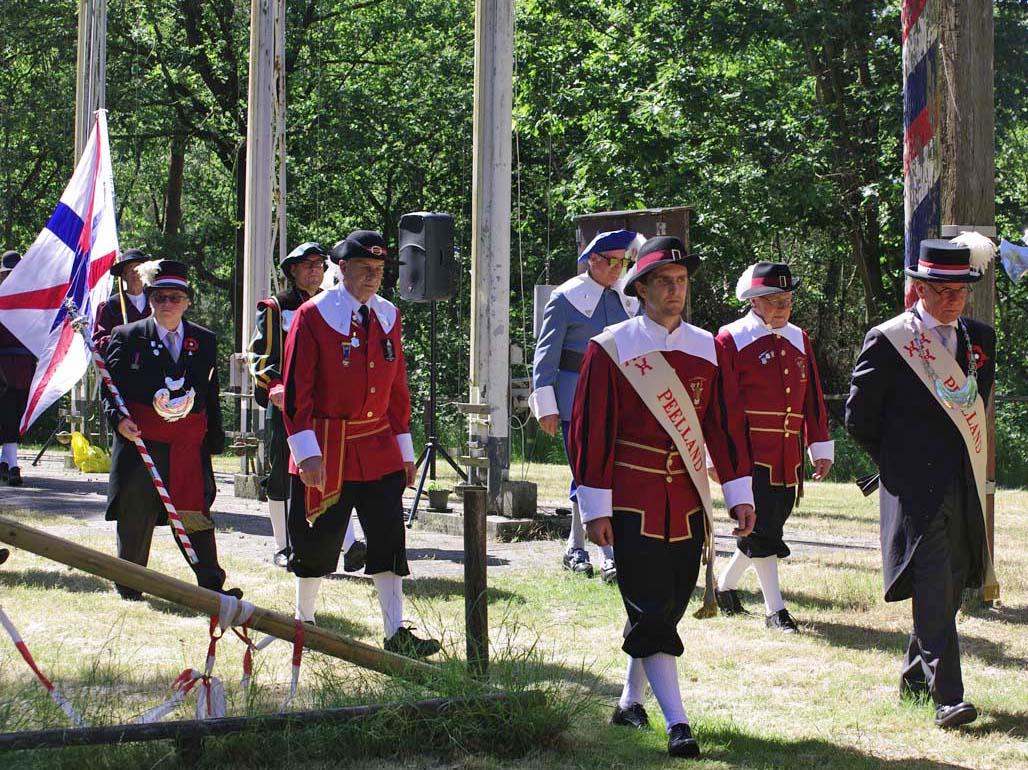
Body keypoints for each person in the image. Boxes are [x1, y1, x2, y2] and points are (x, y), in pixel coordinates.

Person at [569, 236, 755, 759]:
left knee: (665, 606)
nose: (675, 290)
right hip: (633, 499)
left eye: (681, 281)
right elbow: (591, 431)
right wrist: (596, 508)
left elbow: (726, 426)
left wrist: (739, 493)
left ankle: (630, 701)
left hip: (688, 502)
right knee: (650, 605)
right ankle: (678, 723)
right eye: (664, 282)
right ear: (642, 289)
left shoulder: (708, 347)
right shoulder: (611, 347)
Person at [845, 237, 998, 730]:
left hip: (963, 483)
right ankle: (948, 697)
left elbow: (975, 407)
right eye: (942, 291)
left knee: (950, 583)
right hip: (914, 488)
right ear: (919, 289)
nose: (952, 300)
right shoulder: (890, 340)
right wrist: (898, 463)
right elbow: (858, 418)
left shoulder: (980, 338)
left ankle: (914, 676)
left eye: (960, 291)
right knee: (932, 581)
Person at [282, 229, 439, 659]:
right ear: (343, 268)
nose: (372, 277)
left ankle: (395, 631)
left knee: (388, 537)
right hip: (327, 446)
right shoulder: (313, 315)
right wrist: (306, 453)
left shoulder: (388, 315)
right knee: (317, 538)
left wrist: (405, 452)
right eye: (365, 268)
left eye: (379, 270)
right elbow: (296, 391)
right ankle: (305, 622)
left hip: (378, 447)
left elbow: (398, 389)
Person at [101, 259, 242, 601]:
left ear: (187, 301)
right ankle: (130, 585)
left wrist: (213, 438)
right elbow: (109, 388)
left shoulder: (204, 340)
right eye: (159, 297)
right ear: (150, 300)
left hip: (187, 446)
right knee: (136, 514)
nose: (167, 303)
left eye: (175, 297)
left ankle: (211, 585)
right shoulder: (127, 337)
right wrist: (118, 421)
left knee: (195, 516)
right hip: (141, 443)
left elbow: (209, 392)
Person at [713, 262, 833, 632]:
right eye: (774, 301)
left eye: (787, 300)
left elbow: (812, 395)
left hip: (788, 455)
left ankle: (724, 587)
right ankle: (775, 610)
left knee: (767, 525)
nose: (783, 308)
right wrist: (716, 455)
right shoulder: (730, 339)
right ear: (754, 302)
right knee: (762, 527)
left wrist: (819, 445)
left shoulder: (799, 338)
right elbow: (720, 404)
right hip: (749, 454)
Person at [529, 229, 643, 583]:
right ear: (592, 260)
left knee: (605, 472)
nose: (618, 268)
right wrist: (546, 405)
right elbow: (546, 354)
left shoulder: (628, 297)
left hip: (619, 399)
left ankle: (575, 547)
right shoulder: (566, 298)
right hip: (575, 400)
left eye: (623, 262)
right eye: (611, 262)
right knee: (588, 473)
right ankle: (608, 555)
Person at [248, 241, 366, 570]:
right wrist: (275, 385)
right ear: (293, 271)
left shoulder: (334, 306)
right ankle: (283, 545)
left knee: (333, 470)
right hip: (287, 404)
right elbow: (262, 355)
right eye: (307, 265)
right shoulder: (275, 307)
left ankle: (348, 545)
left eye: (319, 265)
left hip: (326, 407)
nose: (315, 271)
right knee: (282, 475)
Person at [0, 250, 35, 487]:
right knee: (7, 413)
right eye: (8, 274)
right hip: (2, 365)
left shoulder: (32, 303)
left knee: (18, 412)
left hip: (24, 367)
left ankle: (5, 461)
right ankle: (12, 465)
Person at [93, 248, 153, 352]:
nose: (134, 272)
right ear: (124, 276)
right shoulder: (110, 306)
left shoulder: (156, 302)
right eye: (130, 268)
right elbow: (99, 341)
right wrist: (123, 338)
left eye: (138, 267)